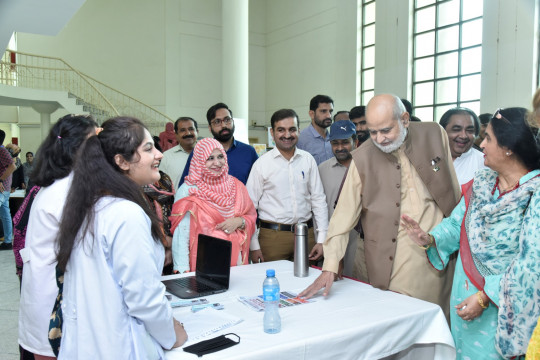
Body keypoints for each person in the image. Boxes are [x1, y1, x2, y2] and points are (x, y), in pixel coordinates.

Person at [300, 94, 460, 321]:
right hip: (397, 257)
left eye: (386, 130)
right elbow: (343, 217)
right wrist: (330, 266)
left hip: (442, 250)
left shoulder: (434, 134)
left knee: (441, 321)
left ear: (404, 119)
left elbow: (452, 189)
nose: (380, 139)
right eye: (373, 132)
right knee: (404, 322)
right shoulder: (363, 158)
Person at [401, 107, 540, 359]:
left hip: (502, 307)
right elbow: (457, 224)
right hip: (464, 298)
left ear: (509, 147)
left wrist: (486, 297)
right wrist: (430, 238)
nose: (481, 144)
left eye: (487, 138)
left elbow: (532, 265)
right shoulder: (483, 182)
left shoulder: (535, 194)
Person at [55, 117, 187, 359]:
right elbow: (142, 298)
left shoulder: (91, 204)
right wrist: (171, 332)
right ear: (122, 161)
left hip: (88, 343)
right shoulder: (126, 213)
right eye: (148, 149)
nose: (159, 154)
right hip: (119, 344)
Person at [18, 114, 99, 360]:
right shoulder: (69, 192)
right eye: (96, 142)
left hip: (46, 303)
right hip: (54, 310)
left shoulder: (57, 185)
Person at [247, 109, 328, 263]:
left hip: (306, 235)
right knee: (273, 283)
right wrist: (253, 245)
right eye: (281, 130)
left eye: (292, 129)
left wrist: (322, 238)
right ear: (272, 132)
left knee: (308, 283)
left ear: (299, 130)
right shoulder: (261, 165)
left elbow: (318, 199)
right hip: (272, 238)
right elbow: (249, 207)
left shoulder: (308, 160)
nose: (287, 135)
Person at [169, 138, 256, 273]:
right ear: (199, 161)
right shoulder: (189, 190)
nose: (217, 163)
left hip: (235, 261)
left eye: (220, 156)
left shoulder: (237, 186)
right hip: (202, 263)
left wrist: (240, 221)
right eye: (209, 158)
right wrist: (182, 271)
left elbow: (250, 216)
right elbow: (182, 234)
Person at [317, 120, 365, 279]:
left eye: (345, 142)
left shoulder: (366, 168)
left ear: (355, 141)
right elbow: (317, 207)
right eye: (335, 143)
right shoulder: (322, 169)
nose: (339, 148)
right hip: (331, 239)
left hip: (359, 241)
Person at [179, 103, 258, 186]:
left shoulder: (249, 152)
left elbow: (258, 186)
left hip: (242, 198)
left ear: (233, 122)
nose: (224, 125)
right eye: (217, 122)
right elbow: (186, 185)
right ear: (210, 128)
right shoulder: (200, 152)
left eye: (227, 120)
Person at [439, 107, 486, 185]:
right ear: (442, 131)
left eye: (470, 130)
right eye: (456, 129)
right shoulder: (428, 157)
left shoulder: (484, 162)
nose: (463, 136)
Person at [159, 116, 198, 189]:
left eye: (191, 129)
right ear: (176, 135)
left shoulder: (210, 154)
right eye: (183, 130)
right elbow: (162, 185)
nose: (188, 133)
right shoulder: (167, 156)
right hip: (177, 200)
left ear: (197, 132)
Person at [297, 95, 335, 165]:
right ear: (312, 114)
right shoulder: (300, 139)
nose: (329, 115)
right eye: (323, 111)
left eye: (330, 111)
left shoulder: (334, 138)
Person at [0, 130, 17, 250]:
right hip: (4, 187)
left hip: (2, 188)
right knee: (5, 215)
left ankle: (7, 240)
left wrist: (0, 180)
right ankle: (7, 241)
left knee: (5, 215)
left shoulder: (1, 150)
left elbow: (12, 166)